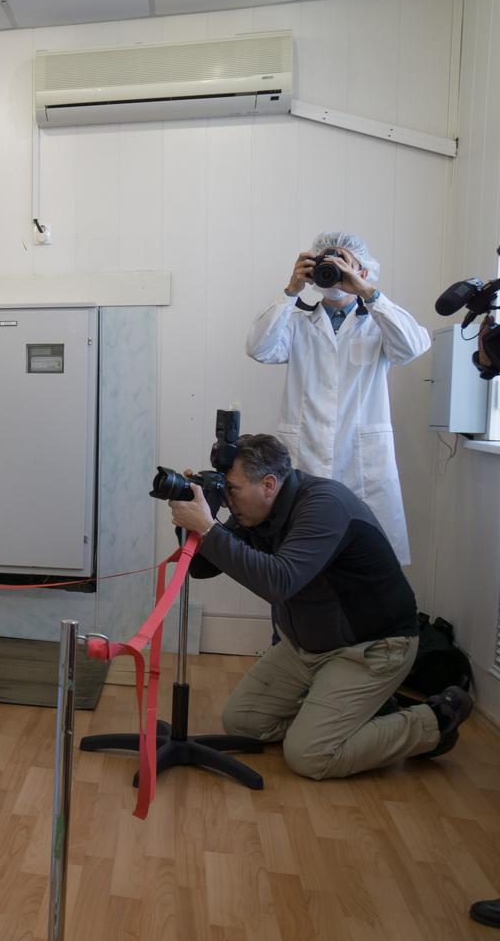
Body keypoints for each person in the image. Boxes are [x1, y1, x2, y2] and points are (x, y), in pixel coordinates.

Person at [167, 434, 472, 780]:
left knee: (309, 754)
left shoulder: (323, 507)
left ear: (268, 484)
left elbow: (277, 583)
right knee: (242, 722)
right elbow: (201, 568)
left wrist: (208, 527)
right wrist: (195, 515)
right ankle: (357, 711)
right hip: (306, 647)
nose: (227, 497)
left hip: (371, 647)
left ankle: (433, 721)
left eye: (231, 489)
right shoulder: (257, 510)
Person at [246, 232, 430, 564]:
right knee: (299, 562)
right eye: (327, 263)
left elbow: (412, 347)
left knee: (365, 565)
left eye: (345, 263)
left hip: (362, 464)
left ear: (364, 270)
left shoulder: (378, 322)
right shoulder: (298, 321)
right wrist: (290, 292)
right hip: (307, 457)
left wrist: (366, 292)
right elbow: (258, 348)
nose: (334, 271)